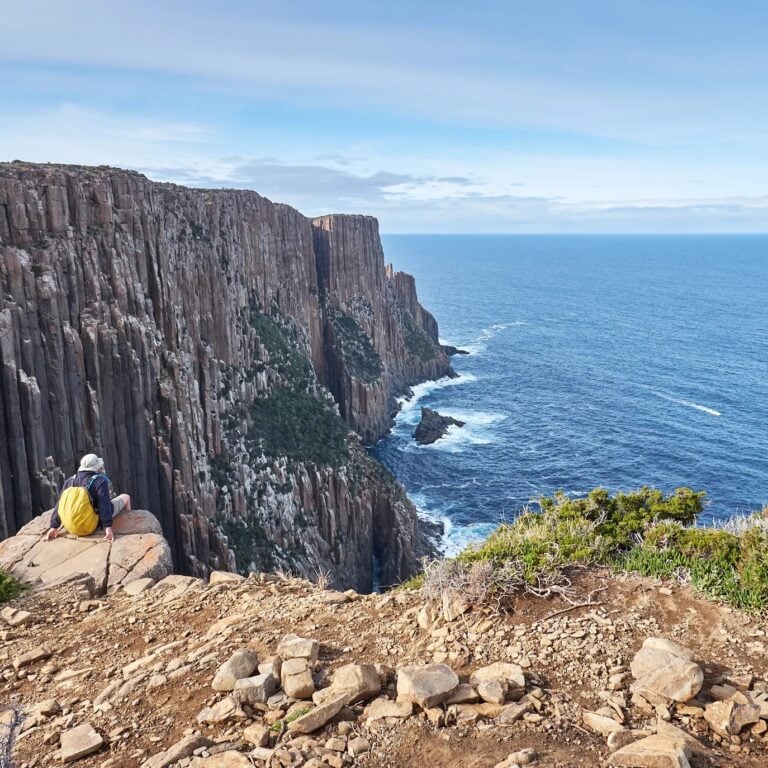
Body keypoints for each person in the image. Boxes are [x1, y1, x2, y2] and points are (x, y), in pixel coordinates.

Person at [46, 454, 131, 542]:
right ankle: (129, 516)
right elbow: (104, 504)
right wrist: (108, 527)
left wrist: (54, 526)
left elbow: (60, 504)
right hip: (89, 525)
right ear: (96, 467)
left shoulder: (70, 480)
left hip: (71, 527)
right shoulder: (100, 481)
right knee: (126, 497)